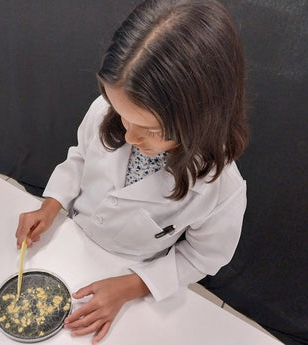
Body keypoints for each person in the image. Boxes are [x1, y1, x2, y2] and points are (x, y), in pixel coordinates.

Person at [16, 0, 249, 343]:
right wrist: (50, 205)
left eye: (150, 129)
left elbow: (202, 256)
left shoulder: (220, 188)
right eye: (122, 114)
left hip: (129, 270)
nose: (128, 135)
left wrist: (131, 286)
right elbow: (80, 158)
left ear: (203, 117)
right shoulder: (105, 112)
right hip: (71, 241)